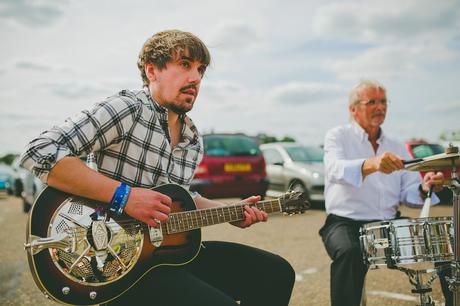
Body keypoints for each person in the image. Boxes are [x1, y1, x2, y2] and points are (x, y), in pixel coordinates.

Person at [20, 30, 295, 306]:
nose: (196, 78)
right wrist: (125, 197)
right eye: (185, 65)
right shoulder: (128, 109)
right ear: (152, 71)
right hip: (109, 261)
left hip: (161, 257)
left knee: (276, 273)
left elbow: (179, 199)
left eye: (201, 70)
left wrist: (230, 212)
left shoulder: (192, 139)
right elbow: (39, 151)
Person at [319, 79, 448, 306]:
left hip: (388, 223)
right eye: (372, 102)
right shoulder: (337, 136)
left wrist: (424, 187)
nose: (380, 107)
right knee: (349, 253)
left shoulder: (396, 145)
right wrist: (373, 163)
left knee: (444, 242)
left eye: (383, 101)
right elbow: (334, 170)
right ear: (353, 109)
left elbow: (407, 192)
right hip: (345, 222)